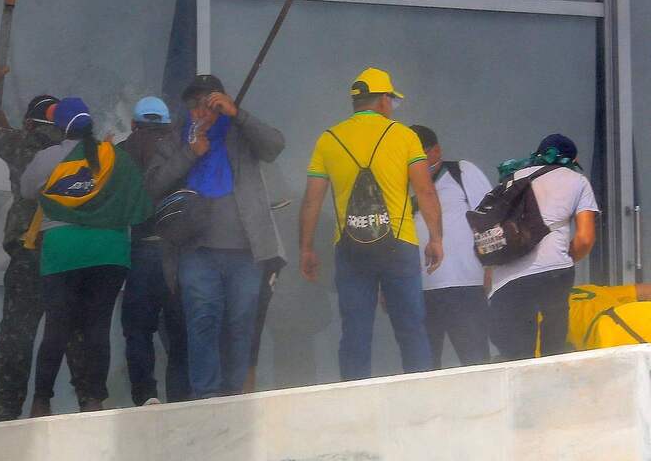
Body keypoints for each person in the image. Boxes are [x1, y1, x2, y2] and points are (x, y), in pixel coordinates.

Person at [299, 68, 443, 381]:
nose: (392, 106)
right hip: (399, 244)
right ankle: (422, 401)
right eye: (391, 99)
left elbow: (312, 200)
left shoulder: (329, 139)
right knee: (411, 328)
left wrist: (307, 248)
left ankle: (354, 404)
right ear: (381, 101)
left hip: (351, 247)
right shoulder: (404, 137)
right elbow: (425, 191)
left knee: (355, 332)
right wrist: (436, 238)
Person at [156, 74, 285, 399]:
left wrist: (237, 113)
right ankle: (206, 395)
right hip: (195, 249)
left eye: (207, 103)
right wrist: (189, 153)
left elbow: (274, 145)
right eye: (194, 106)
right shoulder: (176, 138)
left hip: (246, 250)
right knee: (202, 320)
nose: (201, 112)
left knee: (242, 323)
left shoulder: (240, 132)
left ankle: (233, 393)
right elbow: (152, 186)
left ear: (220, 101)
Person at [21, 98, 152, 415]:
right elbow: (139, 199)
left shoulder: (49, 157)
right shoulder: (115, 157)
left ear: (59, 127)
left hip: (63, 250)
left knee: (57, 326)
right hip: (109, 252)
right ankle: (94, 399)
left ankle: (41, 401)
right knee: (97, 327)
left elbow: (27, 191)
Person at [0, 58, 76, 421]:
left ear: (30, 123)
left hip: (30, 252)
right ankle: (84, 403)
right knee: (71, 335)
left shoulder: (19, 143)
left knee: (17, 335)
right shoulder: (77, 148)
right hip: (70, 254)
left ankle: (7, 411)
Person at [488, 134, 599, 361]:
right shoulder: (577, 181)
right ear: (571, 160)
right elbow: (585, 239)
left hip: (507, 276)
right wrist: (565, 259)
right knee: (553, 351)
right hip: (553, 271)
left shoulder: (511, 179)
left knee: (518, 356)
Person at [118, 96, 190, 405]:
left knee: (137, 330)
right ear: (167, 124)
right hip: (179, 253)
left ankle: (145, 397)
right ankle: (180, 397)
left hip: (140, 252)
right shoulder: (183, 151)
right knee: (180, 332)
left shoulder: (120, 152)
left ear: (134, 124)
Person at [411, 124, 492, 369]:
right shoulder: (401, 186)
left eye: (419, 154)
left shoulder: (462, 172)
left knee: (475, 362)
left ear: (436, 151)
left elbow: (488, 217)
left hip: (465, 284)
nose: (413, 161)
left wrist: (491, 266)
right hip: (420, 291)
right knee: (423, 369)